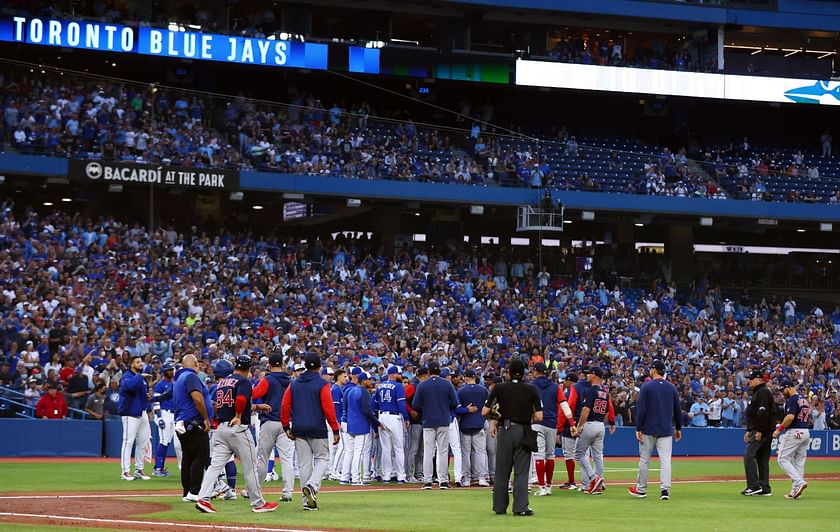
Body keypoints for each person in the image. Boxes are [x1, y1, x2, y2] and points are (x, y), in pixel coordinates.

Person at [195, 355, 276, 514]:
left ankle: (203, 498)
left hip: (221, 428)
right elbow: (239, 400)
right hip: (238, 428)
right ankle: (258, 503)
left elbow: (225, 404)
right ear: (248, 369)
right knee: (251, 466)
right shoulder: (244, 381)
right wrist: (239, 415)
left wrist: (256, 407)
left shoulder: (223, 382)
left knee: (215, 466)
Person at [481, 357, 542, 516]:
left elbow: (485, 412)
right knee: (522, 472)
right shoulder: (531, 389)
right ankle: (520, 508)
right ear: (523, 374)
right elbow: (539, 416)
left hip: (506, 430)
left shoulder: (499, 388)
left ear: (508, 373)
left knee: (502, 471)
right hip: (523, 430)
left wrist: (497, 419)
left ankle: (499, 507)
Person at [281, 352, 340, 511]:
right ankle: (312, 486)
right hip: (317, 427)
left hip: (299, 428)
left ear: (305, 365)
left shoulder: (294, 383)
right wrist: (335, 429)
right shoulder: (322, 384)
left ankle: (307, 502)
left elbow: (285, 405)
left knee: (304, 465)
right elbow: (328, 408)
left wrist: (286, 426)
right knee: (323, 458)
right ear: (320, 367)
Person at [628, 360, 682, 501]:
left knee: (645, 460)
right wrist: (678, 428)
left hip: (648, 429)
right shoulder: (672, 388)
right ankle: (665, 490)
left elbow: (641, 409)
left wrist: (638, 427)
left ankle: (641, 489)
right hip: (665, 429)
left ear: (654, 370)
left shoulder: (647, 386)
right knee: (665, 461)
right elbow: (677, 410)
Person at [412, 361, 461, 490]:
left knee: (428, 451)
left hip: (428, 420)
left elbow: (415, 405)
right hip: (443, 420)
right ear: (439, 371)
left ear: (428, 372)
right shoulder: (447, 384)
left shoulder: (423, 385)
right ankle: (443, 481)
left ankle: (427, 481)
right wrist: (444, 406)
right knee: (443, 451)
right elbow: (455, 403)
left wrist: (426, 408)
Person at [252, 352, 294, 503]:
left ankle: (255, 489)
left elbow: (254, 393)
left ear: (269, 365)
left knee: (262, 458)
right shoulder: (291, 380)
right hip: (286, 423)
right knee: (287, 459)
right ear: (282, 365)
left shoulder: (267, 380)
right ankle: (288, 492)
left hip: (269, 421)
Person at [530, 362, 574, 496]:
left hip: (537, 422)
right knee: (550, 456)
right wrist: (571, 423)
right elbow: (564, 405)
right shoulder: (555, 387)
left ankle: (541, 487)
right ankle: (548, 486)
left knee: (539, 455)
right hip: (551, 424)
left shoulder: (531, 386)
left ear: (536, 372)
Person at [174, 354, 212, 502]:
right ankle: (194, 491)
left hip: (182, 422)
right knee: (201, 455)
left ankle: (187, 491)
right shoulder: (191, 377)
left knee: (188, 458)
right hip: (193, 422)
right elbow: (197, 398)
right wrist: (206, 418)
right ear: (195, 364)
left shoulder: (179, 379)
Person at [572, 366, 615, 495]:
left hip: (590, 424)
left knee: (579, 454)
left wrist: (579, 426)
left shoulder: (591, 391)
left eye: (590, 374)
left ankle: (593, 478)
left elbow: (586, 410)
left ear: (594, 376)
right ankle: (599, 484)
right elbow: (607, 412)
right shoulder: (605, 392)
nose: (587, 376)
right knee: (598, 456)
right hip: (600, 425)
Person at [772, 379, 811, 499]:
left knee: (782, 459)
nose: (782, 393)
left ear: (788, 388)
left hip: (794, 431)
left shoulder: (792, 400)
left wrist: (779, 430)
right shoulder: (804, 400)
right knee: (799, 461)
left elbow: (789, 417)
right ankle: (795, 491)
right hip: (805, 431)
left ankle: (799, 482)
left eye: (783, 390)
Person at [342, 371, 380, 486]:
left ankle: (344, 477)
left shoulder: (349, 390)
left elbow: (346, 408)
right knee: (359, 452)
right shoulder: (364, 392)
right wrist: (377, 423)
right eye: (369, 380)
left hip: (350, 424)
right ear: (363, 381)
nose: (371, 382)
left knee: (349, 451)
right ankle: (356, 478)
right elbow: (367, 411)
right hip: (361, 425)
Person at [118, 354, 153, 481]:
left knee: (143, 441)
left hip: (142, 412)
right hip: (130, 413)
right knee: (128, 442)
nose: (141, 364)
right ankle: (125, 471)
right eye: (138, 362)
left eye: (141, 362)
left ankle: (139, 469)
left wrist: (148, 398)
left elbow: (142, 394)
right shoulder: (126, 376)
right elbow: (129, 387)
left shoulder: (141, 378)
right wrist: (140, 376)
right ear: (132, 364)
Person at [742, 368, 775, 496]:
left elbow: (762, 412)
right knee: (762, 459)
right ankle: (764, 487)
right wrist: (749, 430)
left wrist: (759, 430)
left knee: (749, 455)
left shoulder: (762, 392)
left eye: (752, 379)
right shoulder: (759, 392)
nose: (749, 381)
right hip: (763, 430)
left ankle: (754, 486)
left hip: (762, 430)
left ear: (760, 380)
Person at [373, 365, 409, 483]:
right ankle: (401, 476)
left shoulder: (380, 386)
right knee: (399, 448)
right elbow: (401, 404)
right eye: (399, 374)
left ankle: (387, 475)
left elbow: (375, 405)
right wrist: (406, 418)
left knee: (386, 449)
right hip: (394, 417)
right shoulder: (398, 386)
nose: (400, 376)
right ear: (394, 374)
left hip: (382, 416)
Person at [458, 368, 489, 488]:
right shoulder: (483, 390)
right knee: (480, 452)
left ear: (466, 378)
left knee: (465, 453)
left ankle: (466, 479)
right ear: (475, 377)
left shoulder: (461, 391)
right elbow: (489, 405)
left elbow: (457, 409)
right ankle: (481, 478)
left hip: (465, 424)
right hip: (479, 424)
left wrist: (466, 410)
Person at [152, 363, 181, 476]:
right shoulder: (160, 385)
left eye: (172, 369)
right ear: (164, 372)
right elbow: (156, 401)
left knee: (174, 442)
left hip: (175, 414)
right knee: (164, 441)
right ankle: (158, 468)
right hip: (164, 413)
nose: (171, 372)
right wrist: (159, 417)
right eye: (168, 370)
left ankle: (161, 468)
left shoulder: (175, 384)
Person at [557, 373, 579, 489]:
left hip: (568, 426)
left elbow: (562, 413)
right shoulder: (581, 392)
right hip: (582, 425)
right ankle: (591, 480)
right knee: (584, 455)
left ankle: (571, 482)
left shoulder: (567, 394)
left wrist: (559, 429)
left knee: (569, 455)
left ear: (569, 381)